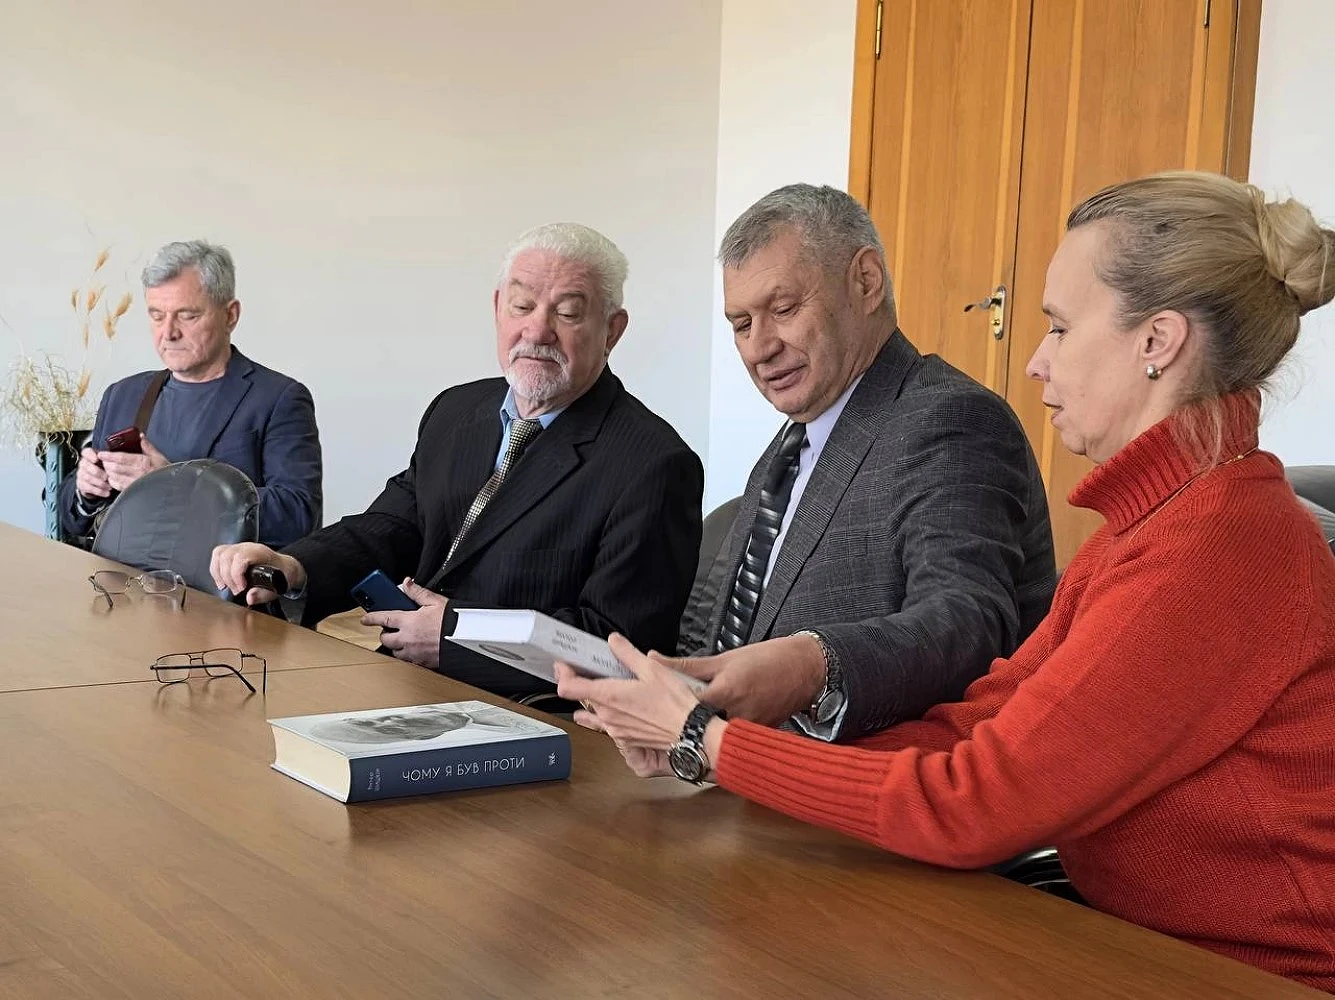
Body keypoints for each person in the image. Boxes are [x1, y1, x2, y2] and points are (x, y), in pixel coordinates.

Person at [559, 172, 1335, 992]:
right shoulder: (1150, 525)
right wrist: (728, 748)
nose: (1035, 361)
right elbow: (978, 721)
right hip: (1128, 941)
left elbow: (974, 801)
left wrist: (706, 741)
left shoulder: (1214, 544)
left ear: (1158, 341)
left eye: (1059, 327)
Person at [212, 223, 704, 703]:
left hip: (533, 713)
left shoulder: (654, 465)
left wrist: (458, 637)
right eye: (522, 306)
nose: (538, 330)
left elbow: (619, 651)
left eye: (569, 313)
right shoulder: (456, 410)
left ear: (612, 330)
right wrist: (293, 564)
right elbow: (394, 526)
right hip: (410, 685)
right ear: (497, 308)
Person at [672, 184, 1055, 741]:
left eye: (783, 309)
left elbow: (967, 624)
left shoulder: (952, 419)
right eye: (741, 324)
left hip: (869, 781)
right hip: (726, 765)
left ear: (866, 281)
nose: (759, 348)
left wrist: (815, 666)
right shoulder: (789, 446)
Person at [58, 240, 322, 549]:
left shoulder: (280, 399)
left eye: (187, 315)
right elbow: (72, 516)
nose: (169, 332)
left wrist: (176, 487)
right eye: (157, 315)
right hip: (119, 574)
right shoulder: (122, 394)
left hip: (215, 579)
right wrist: (86, 491)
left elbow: (297, 514)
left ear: (230, 316)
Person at [310, 704, 543, 745]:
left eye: (367, 721)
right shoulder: (509, 732)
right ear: (423, 738)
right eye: (388, 729)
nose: (391, 719)